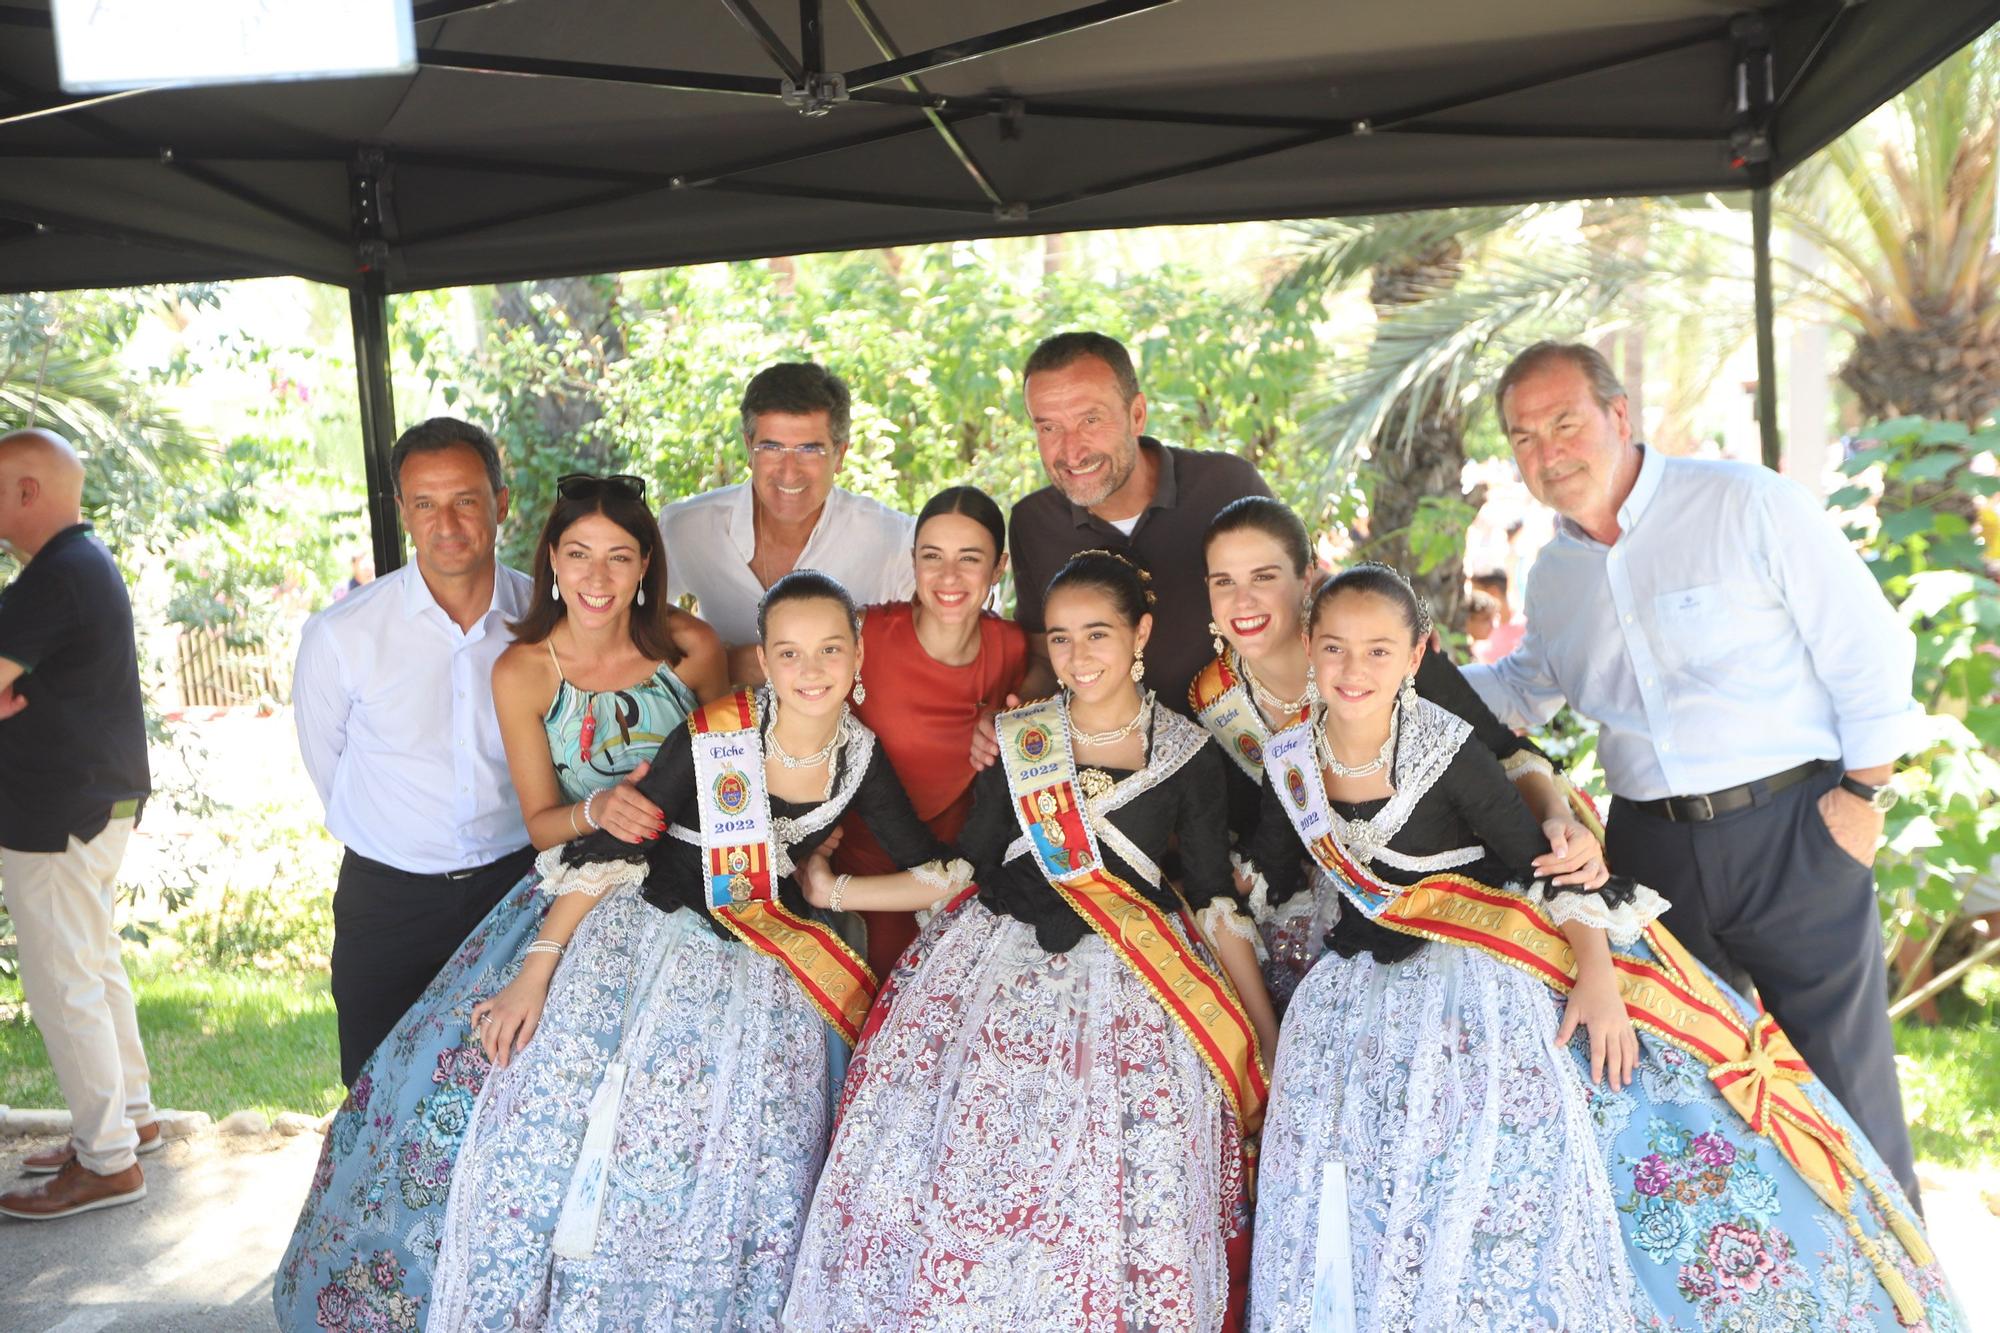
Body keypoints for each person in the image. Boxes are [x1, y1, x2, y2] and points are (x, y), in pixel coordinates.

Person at [1243, 566, 1959, 1332]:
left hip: (1482, 982)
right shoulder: (1291, 760)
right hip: (1356, 993)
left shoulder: (1448, 753)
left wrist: (1598, 981)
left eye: (1378, 650)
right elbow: (1275, 876)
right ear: (1311, 650)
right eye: (1336, 649)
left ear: (1416, 657)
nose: (1355, 670)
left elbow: (1546, 873)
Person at [424, 571, 962, 1329]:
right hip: (648, 936)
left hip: (765, 968)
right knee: (592, 1128)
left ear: (858, 653)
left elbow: (935, 872)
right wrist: (536, 970)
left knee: (754, 1158)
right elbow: (615, 847)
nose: (811, 670)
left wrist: (834, 891)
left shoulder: (858, 756)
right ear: (764, 661)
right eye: (790, 652)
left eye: (830, 650)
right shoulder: (717, 730)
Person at [1463, 342, 1928, 1202]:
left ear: (1619, 415)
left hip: (1796, 834)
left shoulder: (1745, 504)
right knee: (1693, 1103)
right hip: (1651, 858)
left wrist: (1861, 802)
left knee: (1846, 1097)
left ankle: (1907, 1305)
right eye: (1523, 437)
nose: (1547, 450)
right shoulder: (1556, 574)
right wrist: (1380, 664)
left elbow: (1870, 649)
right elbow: (1523, 690)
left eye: (1564, 422)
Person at [275, 473, 726, 1328]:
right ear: (551, 560)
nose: (597, 576)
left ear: (645, 566)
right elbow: (542, 822)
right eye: (579, 554)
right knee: (477, 1095)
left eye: (619, 556)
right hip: (573, 892)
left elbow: (739, 767)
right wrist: (598, 807)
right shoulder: (524, 666)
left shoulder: (694, 648)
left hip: (698, 900)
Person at [785, 551, 1277, 1332]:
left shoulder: (1187, 753)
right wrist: (833, 891)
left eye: (1097, 634)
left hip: (1132, 988)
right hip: (993, 969)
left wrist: (1263, 1035)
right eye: (1059, 639)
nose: (1077, 657)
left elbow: (1217, 902)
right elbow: (961, 870)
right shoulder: (1021, 739)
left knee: (1103, 1185)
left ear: (1141, 632)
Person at [1193, 495, 1604, 1008]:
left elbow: (1502, 755)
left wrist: (1558, 819)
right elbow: (1264, 846)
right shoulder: (1214, 700)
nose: (1244, 602)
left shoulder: (1395, 658)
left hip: (1458, 905)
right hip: (1336, 926)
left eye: (1264, 577)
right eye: (1224, 582)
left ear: (1306, 580)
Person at [293, 417, 539, 1086]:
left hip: (517, 890)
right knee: (377, 1092)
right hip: (388, 899)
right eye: (425, 504)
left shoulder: (545, 620)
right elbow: (328, 763)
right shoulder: (342, 635)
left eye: (465, 499)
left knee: (510, 1093)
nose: (447, 523)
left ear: (501, 503)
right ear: (402, 512)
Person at [0, 428, 155, 1222]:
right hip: (95, 800)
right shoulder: (78, 565)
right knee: (91, 963)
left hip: (54, 810)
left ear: (27, 492)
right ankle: (129, 1115)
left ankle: (106, 1159)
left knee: (65, 981)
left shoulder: (53, 577)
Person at [1007, 331, 1272, 713]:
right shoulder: (1032, 523)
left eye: (1090, 420)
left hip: (1252, 754)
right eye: (1048, 427)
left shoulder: (1229, 487)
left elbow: (1300, 605)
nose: (1071, 451)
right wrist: (1014, 713)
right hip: (1112, 764)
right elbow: (1046, 659)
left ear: (1136, 415)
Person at [839, 485, 1029, 978]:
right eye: (932, 556)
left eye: (969, 558)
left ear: (998, 566)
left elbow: (1048, 692)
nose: (948, 576)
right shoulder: (863, 634)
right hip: (853, 865)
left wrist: (1006, 716)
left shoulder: (1010, 649)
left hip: (954, 875)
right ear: (914, 561)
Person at [657, 362, 915, 684]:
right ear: (749, 449)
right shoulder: (688, 528)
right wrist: (712, 657)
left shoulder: (893, 538)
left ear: (840, 455)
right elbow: (629, 619)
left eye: (810, 450)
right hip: (717, 725)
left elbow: (949, 635)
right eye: (772, 448)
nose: (789, 471)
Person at [1468, 566, 1524, 663]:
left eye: (1477, 592)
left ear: (1493, 592)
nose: (1473, 599)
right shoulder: (1473, 626)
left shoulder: (1528, 628)